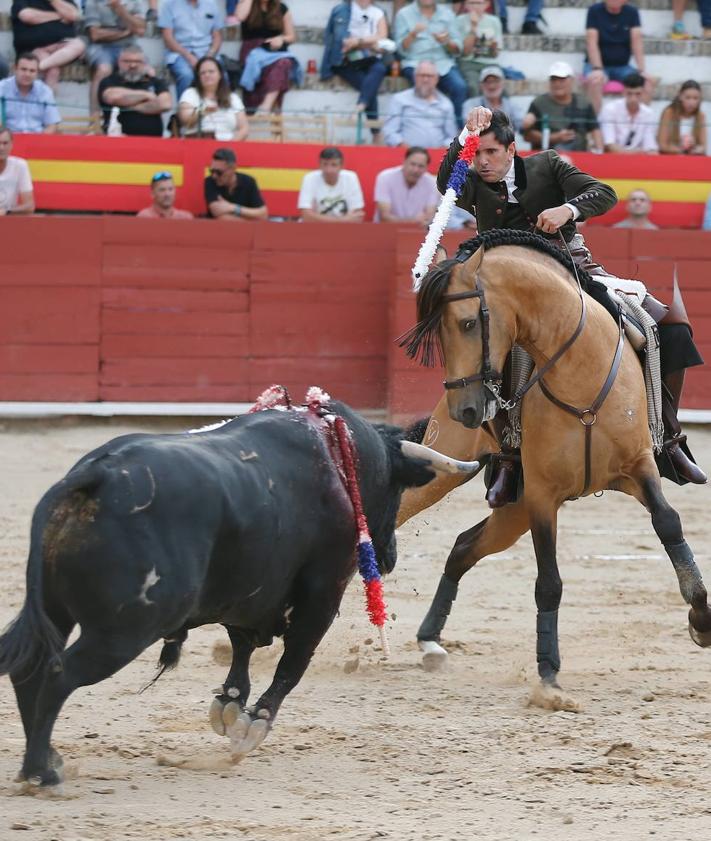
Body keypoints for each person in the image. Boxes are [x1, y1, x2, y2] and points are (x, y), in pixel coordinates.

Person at [438, 107, 706, 502]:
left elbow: (604, 193)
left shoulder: (547, 165)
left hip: (570, 269)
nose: (483, 162)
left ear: (512, 150)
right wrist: (466, 134)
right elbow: (445, 180)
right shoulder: (473, 183)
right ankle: (509, 459)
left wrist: (570, 208)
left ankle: (668, 440)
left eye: (491, 152)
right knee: (490, 351)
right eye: (477, 154)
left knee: (670, 327)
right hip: (510, 289)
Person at [321, 0, 389, 141]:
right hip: (344, 60)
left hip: (368, 57)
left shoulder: (378, 12)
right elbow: (343, 42)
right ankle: (376, 132)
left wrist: (359, 42)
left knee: (379, 69)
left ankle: (360, 106)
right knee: (369, 85)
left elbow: (383, 36)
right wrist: (370, 43)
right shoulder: (341, 10)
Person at [393, 0, 467, 124]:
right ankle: (427, 126)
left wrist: (446, 42)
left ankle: (459, 131)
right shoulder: (404, 14)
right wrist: (412, 34)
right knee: (425, 86)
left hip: (443, 63)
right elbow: (400, 49)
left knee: (460, 87)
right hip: (415, 63)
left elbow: (457, 48)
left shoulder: (447, 14)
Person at [584, 0, 653, 114]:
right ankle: (595, 126)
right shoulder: (594, 11)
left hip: (622, 66)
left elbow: (636, 42)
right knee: (595, 82)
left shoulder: (632, 12)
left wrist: (641, 70)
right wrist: (597, 69)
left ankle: (640, 125)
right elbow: (591, 42)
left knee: (645, 84)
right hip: (598, 65)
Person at [522, 61, 603, 153]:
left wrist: (600, 153)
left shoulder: (584, 103)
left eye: (562, 79)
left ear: (572, 80)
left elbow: (595, 129)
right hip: (547, 159)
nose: (557, 83)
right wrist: (554, 138)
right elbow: (527, 136)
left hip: (579, 157)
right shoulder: (539, 103)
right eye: (554, 79)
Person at [234, 0, 298, 113]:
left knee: (283, 63)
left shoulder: (281, 7)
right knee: (278, 70)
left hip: (274, 52)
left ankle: (266, 106)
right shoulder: (247, 3)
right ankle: (271, 110)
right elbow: (240, 16)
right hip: (252, 52)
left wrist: (281, 39)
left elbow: (291, 36)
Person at [84, 0, 146, 116]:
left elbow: (140, 29)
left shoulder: (136, 2)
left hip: (129, 46)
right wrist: (125, 33)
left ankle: (138, 118)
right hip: (101, 47)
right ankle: (94, 119)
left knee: (147, 71)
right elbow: (95, 35)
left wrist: (120, 10)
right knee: (103, 69)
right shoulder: (93, 2)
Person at [10, 0, 85, 91]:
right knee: (52, 70)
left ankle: (38, 67)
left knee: (79, 45)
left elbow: (73, 15)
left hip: (62, 44)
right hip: (34, 48)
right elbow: (27, 16)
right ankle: (47, 103)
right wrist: (58, 15)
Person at [98, 46, 172, 136]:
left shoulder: (156, 82)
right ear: (118, 62)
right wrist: (147, 95)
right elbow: (112, 97)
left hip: (152, 141)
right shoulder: (109, 81)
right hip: (117, 139)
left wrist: (129, 107)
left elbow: (164, 104)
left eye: (138, 61)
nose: (133, 65)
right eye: (127, 61)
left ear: (145, 64)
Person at [383, 60, 457, 148]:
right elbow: (390, 131)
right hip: (405, 156)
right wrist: (404, 147)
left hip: (438, 157)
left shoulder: (446, 104)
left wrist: (443, 149)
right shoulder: (399, 99)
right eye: (422, 75)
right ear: (414, 77)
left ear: (437, 79)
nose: (425, 80)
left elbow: (451, 136)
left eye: (429, 76)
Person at [158, 0, 223, 100]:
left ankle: (221, 109)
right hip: (179, 53)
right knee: (186, 75)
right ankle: (185, 111)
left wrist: (209, 56)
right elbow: (168, 38)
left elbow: (217, 36)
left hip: (207, 52)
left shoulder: (211, 4)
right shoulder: (169, 5)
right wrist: (188, 56)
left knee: (222, 74)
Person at [178, 55, 248, 140]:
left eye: (211, 71)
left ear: (220, 75)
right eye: (203, 73)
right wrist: (202, 112)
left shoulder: (233, 97)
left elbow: (243, 129)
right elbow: (185, 121)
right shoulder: (190, 94)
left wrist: (229, 147)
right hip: (199, 144)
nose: (207, 75)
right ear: (198, 77)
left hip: (229, 147)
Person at [374, 146, 440, 224]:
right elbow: (384, 217)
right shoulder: (385, 177)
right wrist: (414, 221)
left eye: (420, 166)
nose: (416, 170)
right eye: (412, 164)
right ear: (404, 162)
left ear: (426, 168)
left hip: (417, 233)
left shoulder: (431, 182)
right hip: (387, 231)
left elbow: (429, 217)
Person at [297, 146, 365, 222]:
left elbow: (358, 217)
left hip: (343, 230)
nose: (329, 170)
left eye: (334, 165)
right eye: (325, 164)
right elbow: (306, 216)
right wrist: (344, 220)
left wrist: (317, 218)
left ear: (342, 166)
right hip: (315, 229)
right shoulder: (309, 178)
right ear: (319, 165)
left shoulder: (351, 178)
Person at [0, 52, 60, 133]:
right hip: (9, 140)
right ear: (15, 69)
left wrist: (39, 141)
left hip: (37, 140)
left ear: (37, 73)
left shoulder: (45, 91)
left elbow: (52, 125)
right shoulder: (2, 88)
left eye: (32, 71)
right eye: (23, 69)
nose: (27, 74)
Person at [599, 72, 657, 154]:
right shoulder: (610, 109)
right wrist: (636, 153)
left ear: (643, 93)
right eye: (629, 94)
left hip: (638, 160)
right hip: (612, 159)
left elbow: (650, 146)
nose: (633, 99)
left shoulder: (649, 113)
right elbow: (610, 145)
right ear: (623, 92)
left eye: (638, 94)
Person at [205, 147, 268, 221]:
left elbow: (263, 215)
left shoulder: (248, 181)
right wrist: (250, 217)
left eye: (219, 172)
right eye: (212, 171)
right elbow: (218, 214)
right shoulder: (210, 181)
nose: (214, 176)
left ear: (232, 169)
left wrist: (232, 207)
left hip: (247, 231)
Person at [455, 0, 503, 95]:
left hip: (490, 63)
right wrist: (473, 27)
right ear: (465, 5)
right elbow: (465, 52)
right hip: (468, 63)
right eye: (472, 3)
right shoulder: (459, 21)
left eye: (479, 3)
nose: (475, 6)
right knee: (473, 87)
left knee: (498, 88)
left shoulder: (494, 21)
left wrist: (493, 46)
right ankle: (476, 110)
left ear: (487, 4)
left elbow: (495, 54)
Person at [462, 65, 522, 132]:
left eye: (496, 81)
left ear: (503, 83)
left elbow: (521, 126)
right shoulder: (470, 104)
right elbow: (469, 126)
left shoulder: (512, 105)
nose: (492, 86)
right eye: (487, 82)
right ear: (481, 85)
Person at [657, 79, 707, 156]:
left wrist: (695, 148)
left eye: (695, 98)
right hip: (671, 157)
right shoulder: (669, 113)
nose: (691, 102)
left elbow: (703, 146)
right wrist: (682, 149)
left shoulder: (701, 116)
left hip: (691, 158)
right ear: (680, 96)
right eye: (688, 98)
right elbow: (662, 145)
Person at [0, 127, 35, 215]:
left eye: (5, 143)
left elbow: (29, 206)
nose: (1, 148)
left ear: (11, 144)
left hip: (9, 220)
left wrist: (6, 212)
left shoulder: (20, 166)